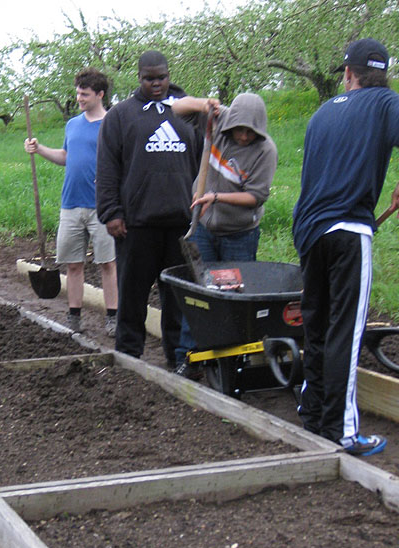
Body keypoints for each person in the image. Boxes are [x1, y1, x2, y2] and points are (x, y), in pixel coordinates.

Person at [292, 38, 399, 456]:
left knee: (316, 325)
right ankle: (342, 431)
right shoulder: (384, 100)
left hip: (309, 230)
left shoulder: (321, 114)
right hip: (349, 232)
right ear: (381, 74)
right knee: (345, 331)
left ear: (347, 72)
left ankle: (313, 415)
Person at [96, 50, 202, 368]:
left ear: (170, 75)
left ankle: (177, 356)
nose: (156, 84)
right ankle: (129, 354)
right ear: (139, 78)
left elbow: (201, 160)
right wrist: (111, 212)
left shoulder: (188, 113)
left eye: (162, 78)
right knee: (132, 292)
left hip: (181, 222)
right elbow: (107, 167)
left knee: (176, 295)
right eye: (149, 79)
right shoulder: (121, 116)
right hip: (136, 223)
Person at [170, 93, 278, 378]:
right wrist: (201, 104)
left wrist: (216, 197)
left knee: (234, 299)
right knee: (198, 293)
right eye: (239, 130)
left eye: (250, 132)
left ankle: (233, 364)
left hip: (239, 235)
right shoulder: (216, 123)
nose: (243, 137)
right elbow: (176, 110)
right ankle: (190, 358)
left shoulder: (265, 151)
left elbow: (255, 197)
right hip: (203, 227)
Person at [24, 68, 118, 336]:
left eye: (84, 94)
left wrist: (113, 183)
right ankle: (74, 317)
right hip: (71, 204)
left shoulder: (113, 123)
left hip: (103, 206)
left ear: (100, 94)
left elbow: (124, 161)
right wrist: (39, 149)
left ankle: (112, 316)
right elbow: (66, 155)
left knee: (107, 263)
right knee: (73, 264)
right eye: (77, 93)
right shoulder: (73, 124)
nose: (79, 98)